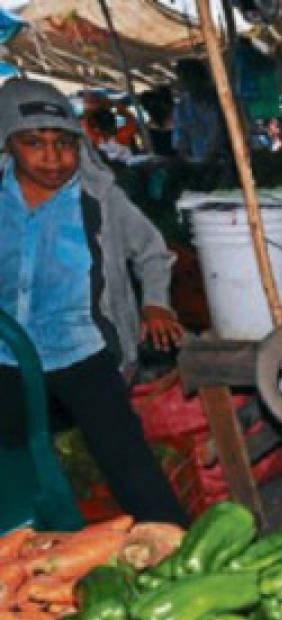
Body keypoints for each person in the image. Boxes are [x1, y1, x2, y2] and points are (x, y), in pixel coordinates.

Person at [0, 78, 188, 525]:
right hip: (7, 356)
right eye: (34, 143)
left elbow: (153, 252)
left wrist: (156, 304)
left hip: (81, 348)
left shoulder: (99, 198)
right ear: (8, 143)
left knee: (126, 459)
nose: (52, 157)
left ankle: (171, 539)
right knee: (14, 456)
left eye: (63, 144)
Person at [173, 58, 224, 163]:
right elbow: (181, 144)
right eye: (183, 79)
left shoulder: (222, 100)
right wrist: (193, 162)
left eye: (191, 77)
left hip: (228, 159)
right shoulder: (181, 108)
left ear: (203, 77)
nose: (187, 83)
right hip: (202, 164)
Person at [139, 86, 175, 156]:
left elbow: (148, 149)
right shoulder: (174, 120)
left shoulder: (147, 127)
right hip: (180, 160)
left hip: (162, 161)